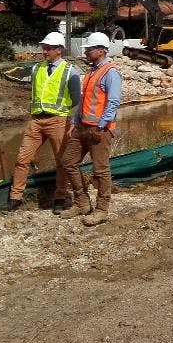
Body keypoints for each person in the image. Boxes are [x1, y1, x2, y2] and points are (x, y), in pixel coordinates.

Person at [6, 31, 81, 213]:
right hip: (37, 121)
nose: (44, 51)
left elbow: (77, 100)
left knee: (61, 161)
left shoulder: (70, 71)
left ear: (59, 50)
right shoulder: (36, 68)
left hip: (59, 121)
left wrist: (72, 122)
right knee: (22, 158)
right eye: (44, 48)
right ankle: (15, 198)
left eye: (48, 48)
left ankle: (60, 197)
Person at [58, 31, 123, 226]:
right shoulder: (91, 71)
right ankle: (82, 203)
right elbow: (84, 100)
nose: (86, 51)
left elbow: (113, 102)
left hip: (99, 131)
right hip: (82, 127)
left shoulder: (111, 72)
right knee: (68, 161)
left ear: (102, 51)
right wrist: (75, 123)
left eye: (89, 49)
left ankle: (102, 210)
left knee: (101, 170)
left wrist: (101, 126)